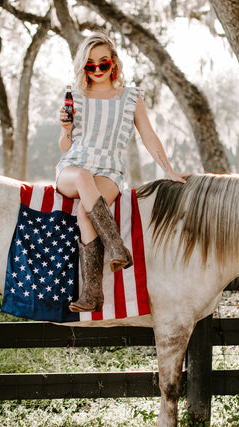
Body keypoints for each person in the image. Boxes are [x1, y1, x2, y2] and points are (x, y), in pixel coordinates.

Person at [57, 32, 188, 313]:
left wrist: (169, 170)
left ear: (113, 62)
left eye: (103, 63)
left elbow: (149, 136)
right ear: (83, 67)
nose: (97, 70)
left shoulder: (131, 97)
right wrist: (66, 130)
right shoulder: (74, 95)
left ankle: (93, 293)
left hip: (109, 171)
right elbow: (64, 146)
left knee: (85, 212)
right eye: (90, 65)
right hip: (73, 167)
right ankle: (116, 246)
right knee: (82, 177)